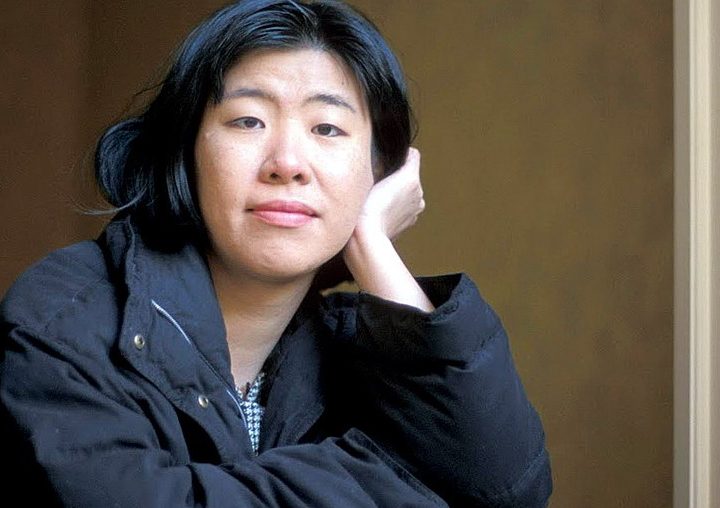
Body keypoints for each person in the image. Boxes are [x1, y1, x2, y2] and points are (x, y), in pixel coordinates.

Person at [0, 0, 552, 506]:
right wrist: (407, 474)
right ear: (185, 150)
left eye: (327, 128)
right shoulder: (65, 317)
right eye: (248, 121)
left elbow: (506, 489)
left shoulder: (352, 355)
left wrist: (373, 245)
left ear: (379, 173)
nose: (287, 163)